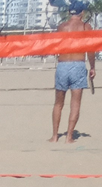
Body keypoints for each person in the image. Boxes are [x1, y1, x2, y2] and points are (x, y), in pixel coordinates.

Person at [49, 1, 96, 143]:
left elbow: (55, 46)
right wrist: (92, 67)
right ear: (82, 13)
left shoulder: (61, 27)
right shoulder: (86, 27)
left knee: (58, 103)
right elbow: (91, 49)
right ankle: (69, 137)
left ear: (70, 12)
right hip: (78, 64)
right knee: (75, 103)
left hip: (62, 64)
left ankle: (55, 136)